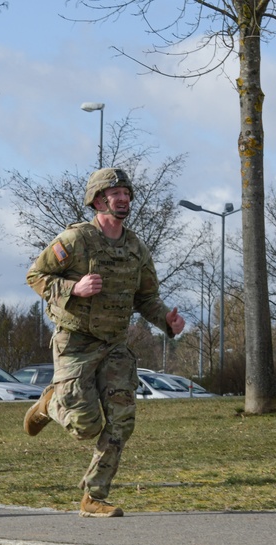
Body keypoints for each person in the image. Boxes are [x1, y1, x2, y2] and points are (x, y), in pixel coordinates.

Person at [24, 167, 185, 518]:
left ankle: (94, 495)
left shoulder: (136, 248)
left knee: (122, 421)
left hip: (114, 345)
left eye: (126, 192)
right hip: (76, 340)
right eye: (115, 193)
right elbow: (35, 275)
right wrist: (72, 288)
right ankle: (49, 405)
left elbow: (147, 298)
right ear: (98, 201)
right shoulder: (76, 240)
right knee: (86, 426)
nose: (123, 198)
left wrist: (167, 322)